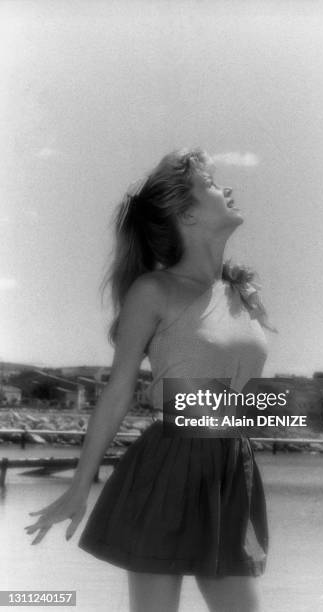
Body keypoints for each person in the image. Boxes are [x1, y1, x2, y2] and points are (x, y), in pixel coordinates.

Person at [25, 148, 275, 612]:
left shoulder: (240, 293)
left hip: (231, 464)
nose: (229, 189)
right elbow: (119, 390)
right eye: (214, 185)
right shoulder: (154, 291)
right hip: (172, 462)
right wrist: (81, 484)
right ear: (187, 214)